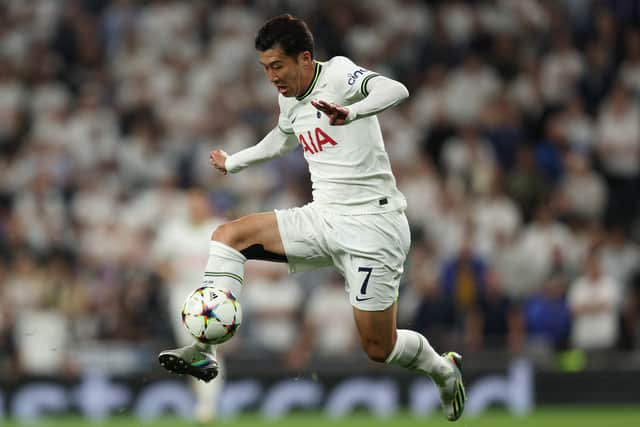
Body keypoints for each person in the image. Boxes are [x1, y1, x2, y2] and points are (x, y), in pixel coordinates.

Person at [158, 14, 466, 421]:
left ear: (304, 58)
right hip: (322, 218)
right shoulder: (289, 98)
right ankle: (204, 352)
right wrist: (235, 162)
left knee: (379, 347)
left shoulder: (338, 74)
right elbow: (281, 137)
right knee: (227, 236)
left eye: (277, 66)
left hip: (373, 227)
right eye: (265, 68)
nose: (272, 77)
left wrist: (352, 113)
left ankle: (443, 372)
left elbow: (396, 89)